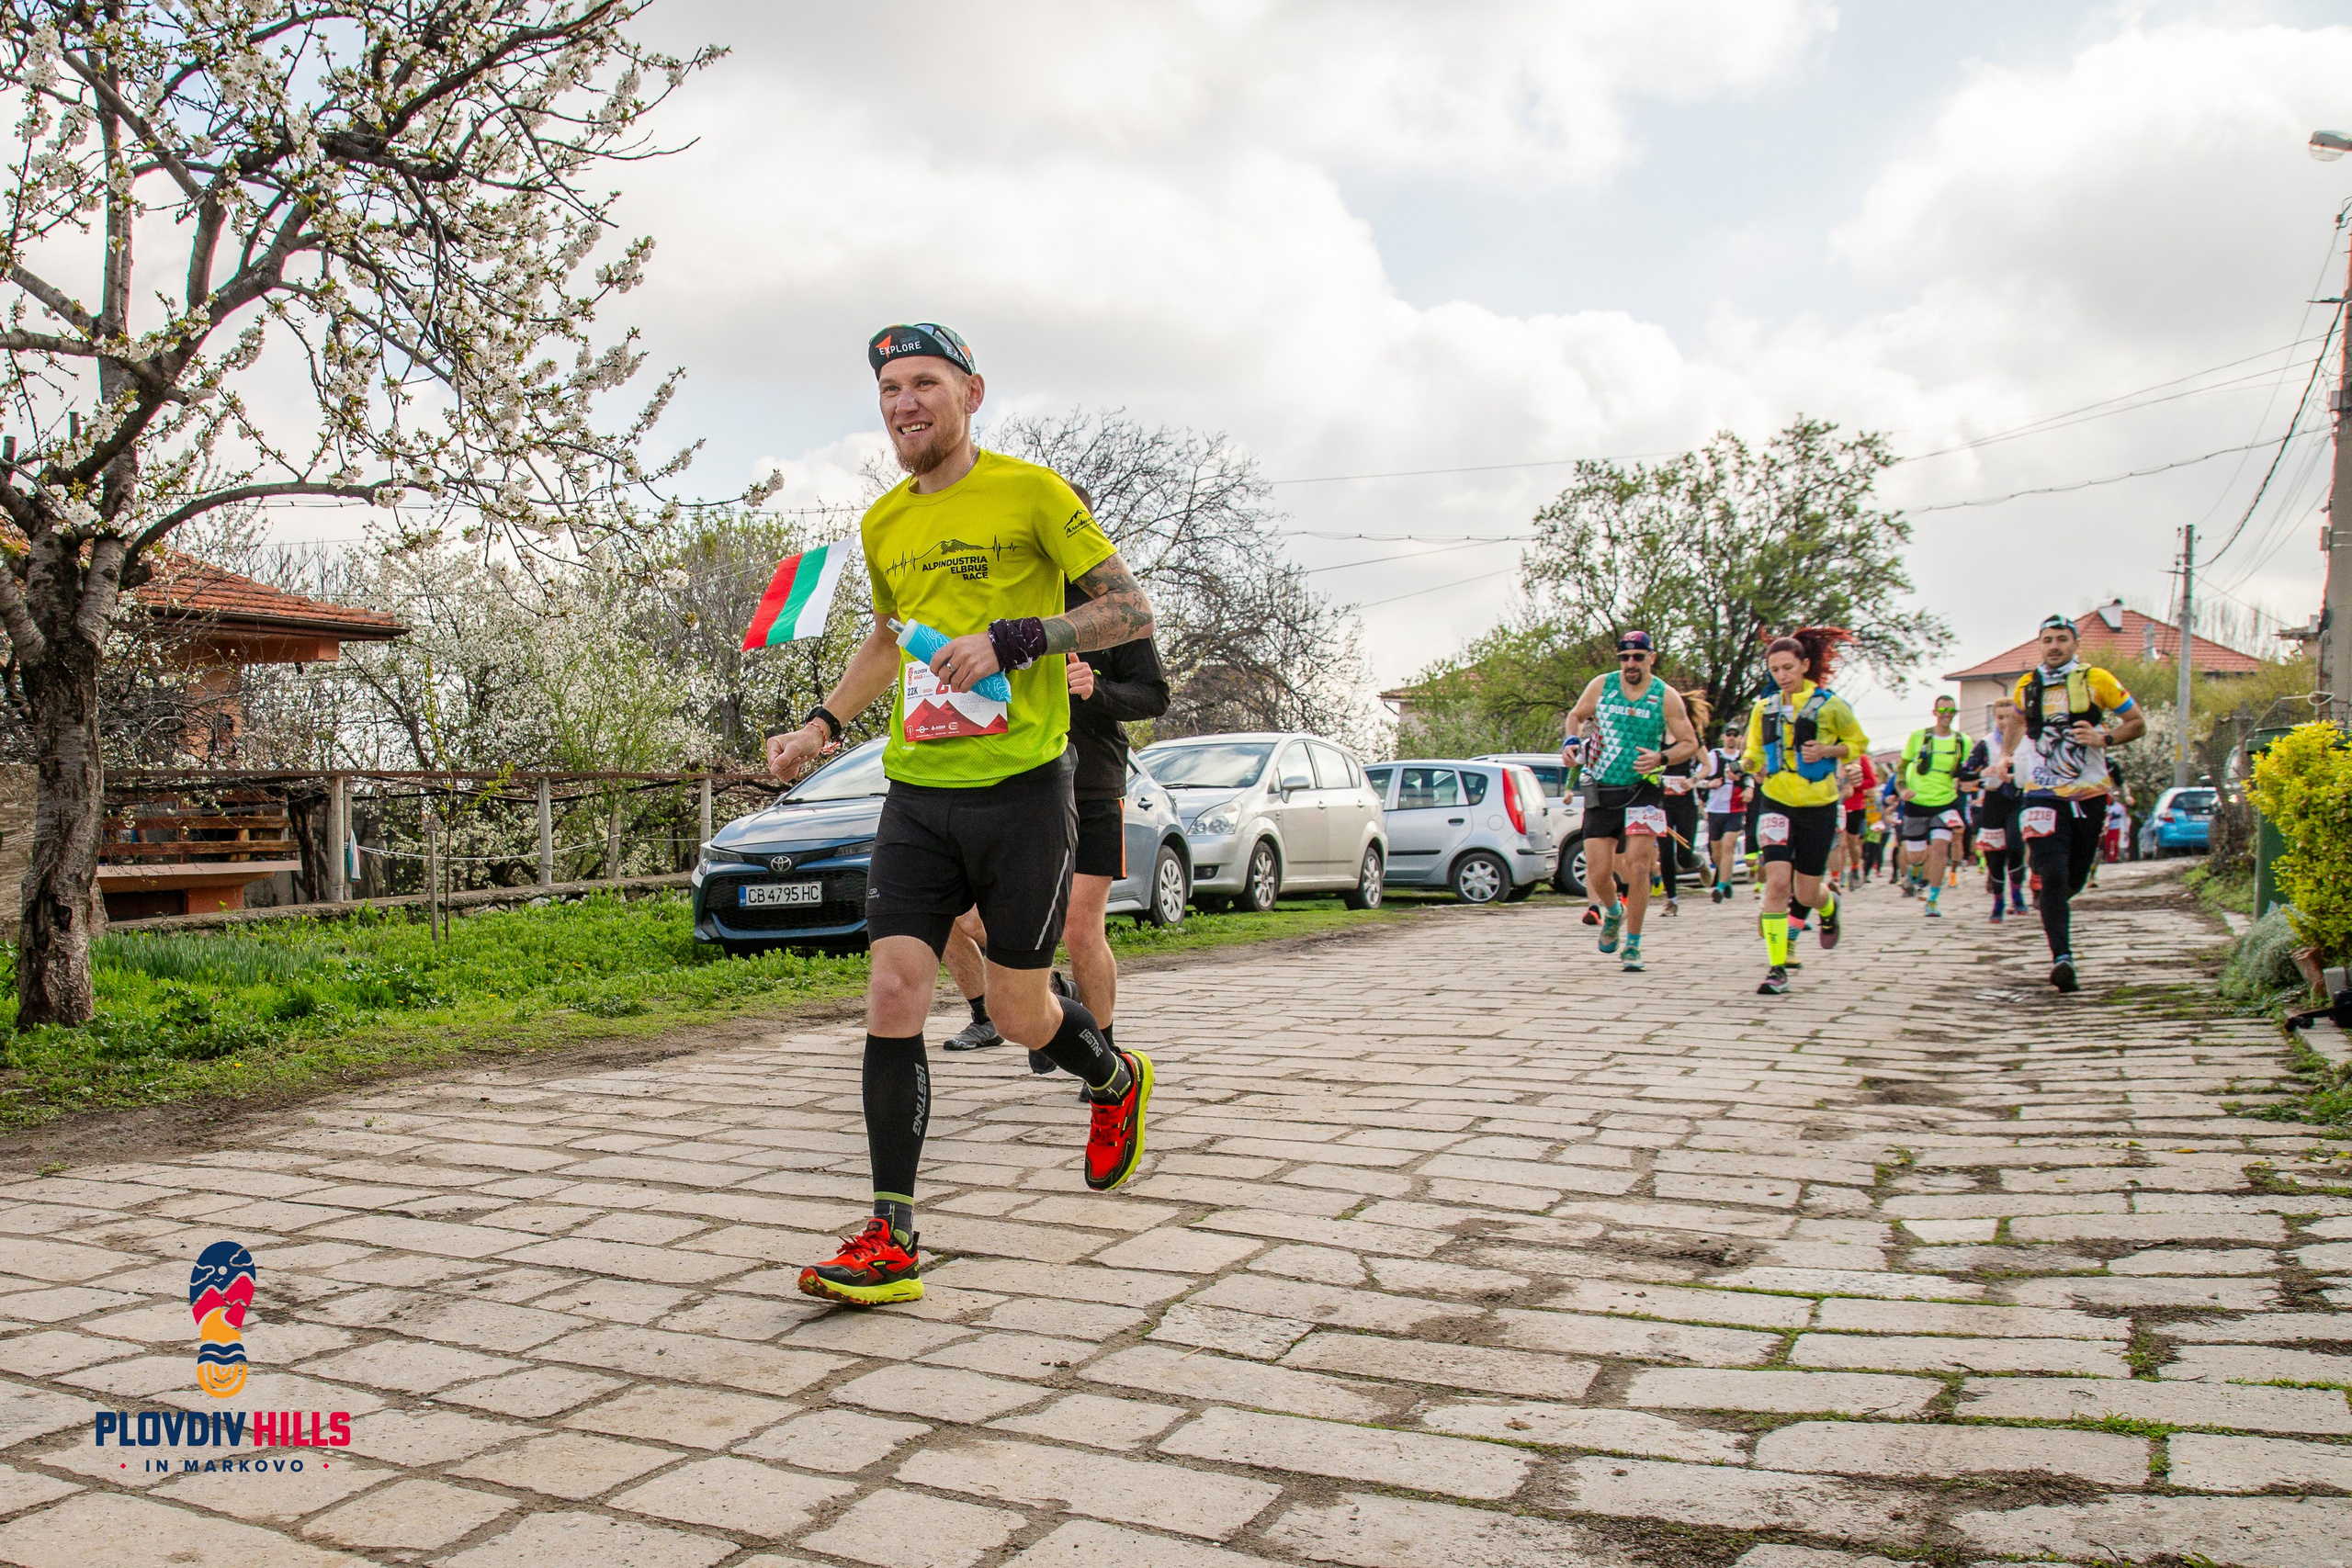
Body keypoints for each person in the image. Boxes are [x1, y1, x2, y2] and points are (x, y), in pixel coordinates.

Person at [767, 323, 1157, 1308]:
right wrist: (819, 724)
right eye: (891, 388)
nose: (905, 403)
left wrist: (1016, 637)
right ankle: (890, 1235)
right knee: (896, 989)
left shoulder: (1032, 492)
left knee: (1026, 1014)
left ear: (970, 393)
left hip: (1023, 793)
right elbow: (886, 637)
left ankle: (1112, 1082)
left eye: (925, 384)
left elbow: (1129, 611)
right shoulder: (884, 521)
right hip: (918, 793)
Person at [942, 485, 1171, 1062]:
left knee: (1078, 926)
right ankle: (1050, 1007)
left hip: (1092, 781)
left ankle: (1104, 1055)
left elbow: (1154, 695)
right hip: (1016, 777)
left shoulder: (1113, 605)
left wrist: (1098, 691)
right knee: (972, 916)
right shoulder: (1005, 591)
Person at [2010, 614, 2145, 992]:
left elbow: (2137, 722)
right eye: (2047, 640)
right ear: (2039, 645)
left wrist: (2106, 740)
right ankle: (2062, 959)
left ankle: (2053, 901)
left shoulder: (2096, 680)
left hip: (2089, 793)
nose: (2053, 646)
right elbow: (2016, 724)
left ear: (2075, 644)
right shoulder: (2027, 685)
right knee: (2052, 873)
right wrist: (2005, 759)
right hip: (2040, 792)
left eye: (2061, 639)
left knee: (2074, 877)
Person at [1562, 631, 1700, 973]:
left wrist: (1661, 757)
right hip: (1603, 790)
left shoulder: (1665, 696)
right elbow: (1576, 715)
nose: (1631, 664)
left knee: (1639, 867)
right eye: (1625, 658)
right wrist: (1571, 741)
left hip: (1644, 791)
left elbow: (1689, 743)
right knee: (1597, 873)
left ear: (1652, 657)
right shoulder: (1602, 685)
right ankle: (1613, 912)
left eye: (1638, 656)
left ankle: (1634, 945)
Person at [1742, 627, 1869, 996]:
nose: (1782, 675)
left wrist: (1828, 753)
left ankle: (1828, 908)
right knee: (1778, 883)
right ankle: (1776, 968)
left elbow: (1857, 743)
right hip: (1776, 801)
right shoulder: (1763, 708)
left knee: (1808, 892)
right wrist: (1750, 766)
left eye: (1788, 668)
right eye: (1775, 669)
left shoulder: (1830, 705)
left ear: (1805, 666)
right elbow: (1752, 752)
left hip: (1819, 805)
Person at [1897, 695, 1972, 918]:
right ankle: (1916, 867)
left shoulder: (1963, 741)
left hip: (1946, 802)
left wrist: (1973, 781)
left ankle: (1933, 899)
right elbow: (1901, 768)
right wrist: (1902, 791)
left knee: (1940, 849)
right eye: (1942, 709)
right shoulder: (1919, 737)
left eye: (1951, 711)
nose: (1946, 714)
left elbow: (1965, 771)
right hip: (1917, 801)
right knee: (1916, 855)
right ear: (1935, 712)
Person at [1962, 698, 2030, 922]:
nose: (2005, 722)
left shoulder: (2029, 740)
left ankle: (2017, 894)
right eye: (2001, 717)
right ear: (1994, 718)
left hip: (2019, 799)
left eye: (2010, 717)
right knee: (1994, 853)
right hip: (1993, 800)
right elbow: (1964, 774)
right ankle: (1998, 901)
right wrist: (1984, 774)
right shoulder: (1986, 743)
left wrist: (2021, 774)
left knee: (2015, 844)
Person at [1655, 692, 1710, 915]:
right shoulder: (1655, 734)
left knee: (1683, 855)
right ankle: (1672, 900)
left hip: (1686, 801)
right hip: (1662, 802)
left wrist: (1693, 780)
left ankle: (1699, 862)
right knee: (1665, 853)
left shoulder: (1691, 736)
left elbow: (1706, 765)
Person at [1699, 720, 1747, 903]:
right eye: (1729, 734)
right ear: (1723, 736)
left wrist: (1748, 789)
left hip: (1735, 809)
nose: (1732, 738)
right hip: (1715, 809)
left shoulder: (1744, 758)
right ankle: (1726, 879)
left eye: (1736, 734)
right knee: (1716, 852)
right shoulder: (1713, 756)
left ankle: (1720, 886)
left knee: (1728, 846)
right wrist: (1710, 784)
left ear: (1740, 737)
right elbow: (1697, 779)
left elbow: (1750, 779)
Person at [1836, 751, 1878, 890]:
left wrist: (1854, 784)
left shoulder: (1860, 757)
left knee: (1853, 842)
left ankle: (1855, 867)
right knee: (1840, 843)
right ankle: (1838, 874)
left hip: (1855, 806)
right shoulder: (1830, 757)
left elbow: (1872, 781)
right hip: (1837, 805)